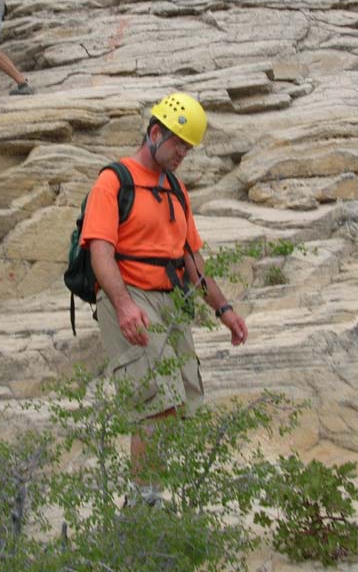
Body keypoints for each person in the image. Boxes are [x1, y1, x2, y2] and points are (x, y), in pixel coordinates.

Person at [80, 92, 248, 500]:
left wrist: (223, 308)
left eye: (188, 149)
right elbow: (100, 250)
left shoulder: (175, 188)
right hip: (129, 294)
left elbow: (192, 258)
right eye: (178, 145)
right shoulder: (113, 182)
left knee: (184, 400)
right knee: (154, 402)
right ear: (155, 133)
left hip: (170, 301)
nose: (182, 155)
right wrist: (123, 306)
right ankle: (144, 501)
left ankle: (156, 490)